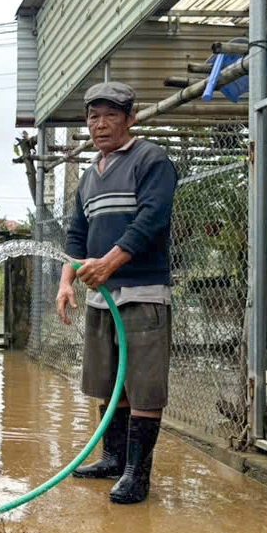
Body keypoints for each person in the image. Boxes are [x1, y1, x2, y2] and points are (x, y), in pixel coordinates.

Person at [56, 81, 177, 505]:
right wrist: (66, 280)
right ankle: (112, 459)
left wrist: (109, 262)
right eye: (94, 116)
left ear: (131, 118)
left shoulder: (151, 160)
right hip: (100, 296)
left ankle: (136, 475)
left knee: (143, 385)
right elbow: (76, 234)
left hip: (142, 292)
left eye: (111, 115)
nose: (101, 124)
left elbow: (151, 220)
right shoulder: (90, 176)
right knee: (111, 382)